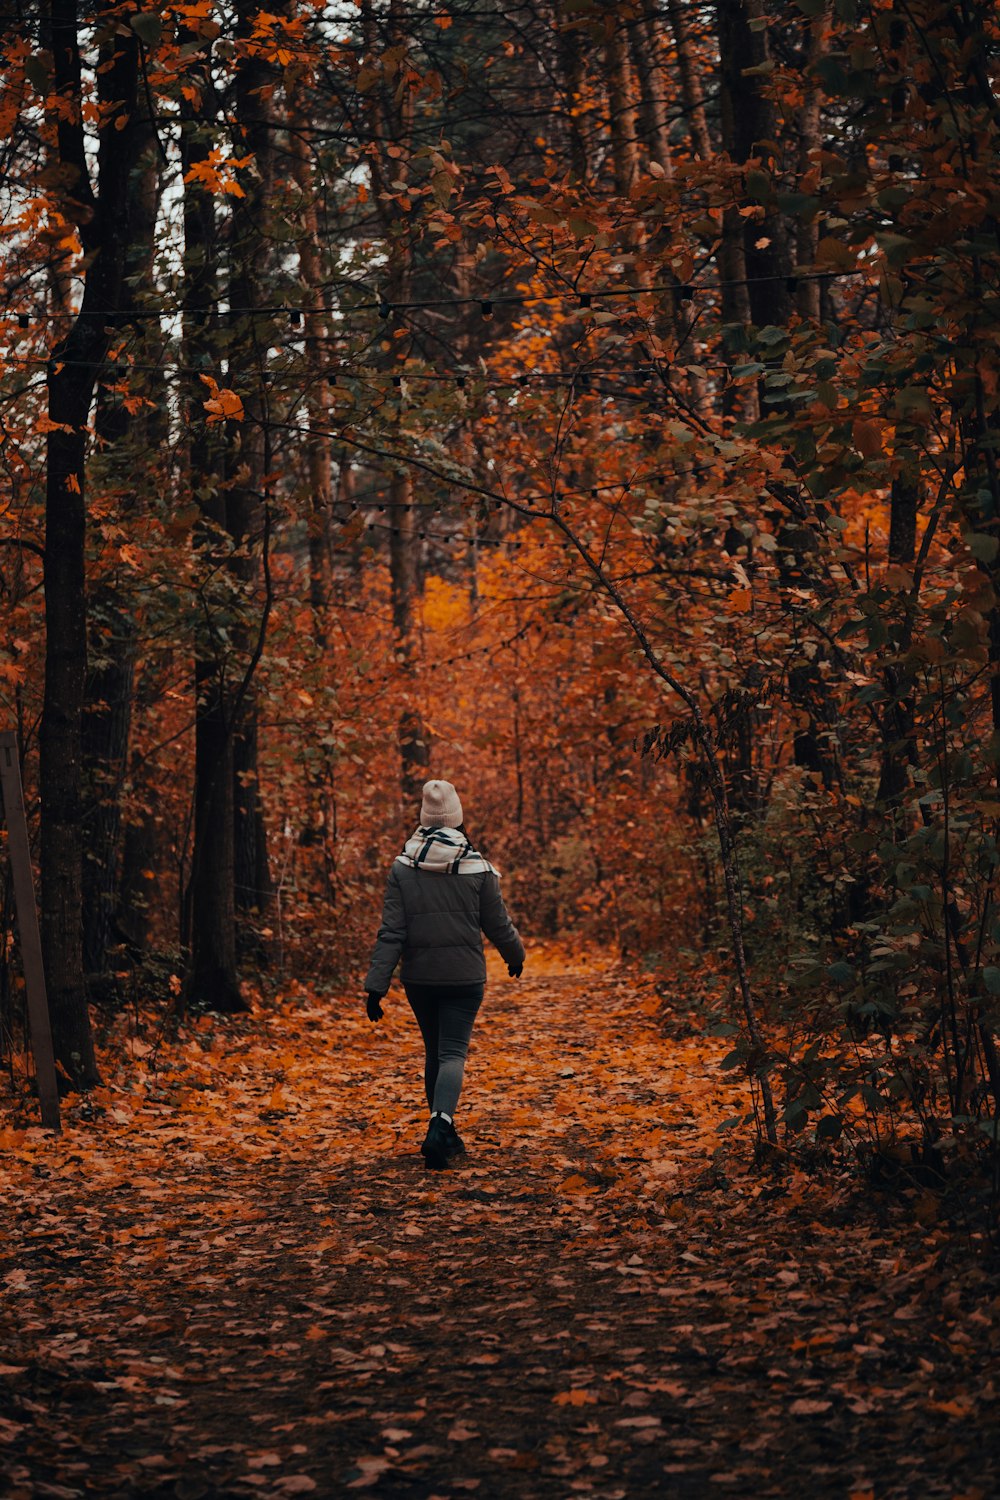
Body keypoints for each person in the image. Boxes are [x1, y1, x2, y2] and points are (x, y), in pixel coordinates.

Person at [364, 779, 525, 1170]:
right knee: (453, 1052)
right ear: (456, 816)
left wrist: (375, 986)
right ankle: (441, 1127)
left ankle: (443, 1129)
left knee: (435, 1051)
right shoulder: (477, 866)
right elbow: (498, 923)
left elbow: (392, 932)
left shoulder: (403, 867)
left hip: (420, 979)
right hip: (466, 978)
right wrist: (514, 955)